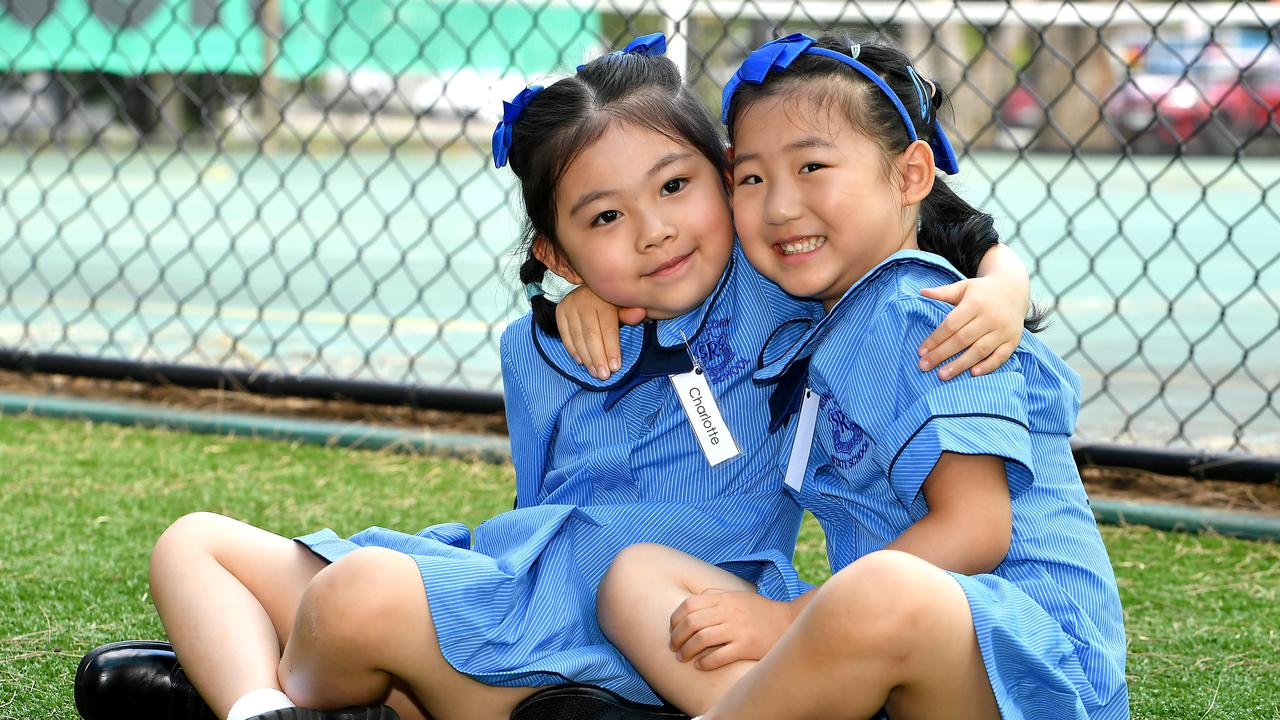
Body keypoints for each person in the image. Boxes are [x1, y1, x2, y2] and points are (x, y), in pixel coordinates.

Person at [74, 34, 1031, 720]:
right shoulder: (538, 346)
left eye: (674, 186)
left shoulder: (776, 286)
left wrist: (1002, 279)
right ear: (557, 249)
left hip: (680, 615)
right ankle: (259, 702)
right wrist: (567, 306)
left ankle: (339, 692)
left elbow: (914, 220)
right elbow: (543, 504)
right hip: (523, 587)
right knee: (194, 543)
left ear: (727, 177)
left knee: (360, 595)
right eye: (603, 219)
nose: (653, 230)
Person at [596, 33, 1129, 720]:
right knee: (635, 576)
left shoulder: (922, 311)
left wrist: (788, 621)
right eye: (752, 178)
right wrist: (578, 288)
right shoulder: (826, 309)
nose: (781, 206)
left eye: (812, 166)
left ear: (910, 176)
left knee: (879, 591)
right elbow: (675, 279)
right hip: (898, 654)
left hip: (1034, 668)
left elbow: (976, 529)